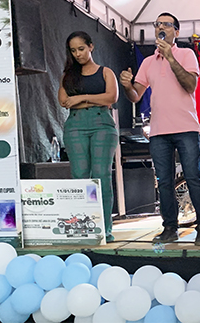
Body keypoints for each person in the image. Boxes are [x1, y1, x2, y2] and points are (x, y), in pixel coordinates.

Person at [119, 13, 200, 246]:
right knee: (164, 180)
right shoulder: (148, 62)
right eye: (157, 24)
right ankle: (169, 227)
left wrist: (170, 57)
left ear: (176, 32)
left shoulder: (186, 54)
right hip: (159, 131)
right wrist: (128, 85)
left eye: (166, 24)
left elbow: (191, 85)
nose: (161, 27)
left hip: (186, 128)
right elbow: (135, 96)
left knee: (192, 177)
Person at [58, 31, 119, 243]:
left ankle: (105, 229)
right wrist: (95, 100)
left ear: (91, 47)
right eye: (73, 51)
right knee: (80, 176)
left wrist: (82, 98)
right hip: (75, 125)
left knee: (101, 175)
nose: (78, 54)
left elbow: (111, 97)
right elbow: (64, 101)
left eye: (81, 49)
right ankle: (83, 228)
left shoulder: (105, 72)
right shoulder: (68, 75)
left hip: (102, 123)